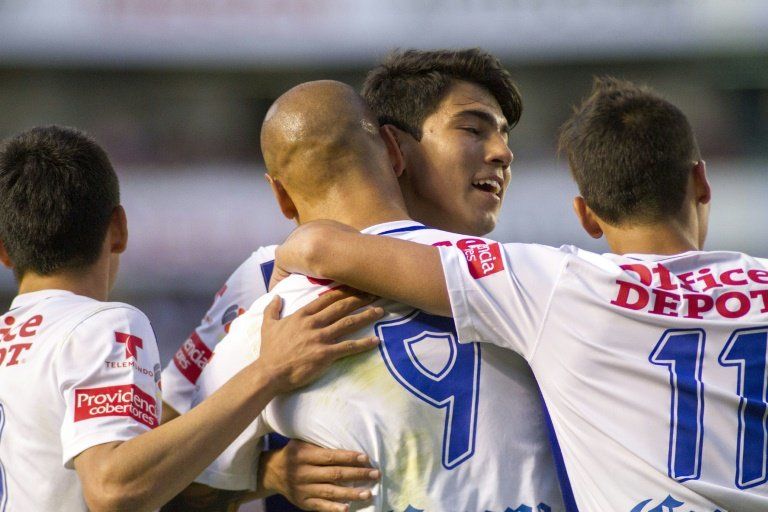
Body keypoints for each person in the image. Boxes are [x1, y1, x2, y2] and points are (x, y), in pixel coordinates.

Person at [273, 77, 768, 510]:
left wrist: (283, 262)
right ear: (701, 181)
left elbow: (321, 245)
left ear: (586, 216)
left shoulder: (557, 285)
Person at [163, 48, 562, 511]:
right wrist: (269, 474)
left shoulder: (518, 275)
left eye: (505, 136)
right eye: (472, 129)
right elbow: (172, 442)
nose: (502, 153)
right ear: (395, 149)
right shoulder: (267, 280)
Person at [0, 125, 383, 512]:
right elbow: (113, 488)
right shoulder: (102, 324)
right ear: (119, 229)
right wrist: (268, 371)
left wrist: (264, 474)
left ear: (3, 250)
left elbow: (151, 464)